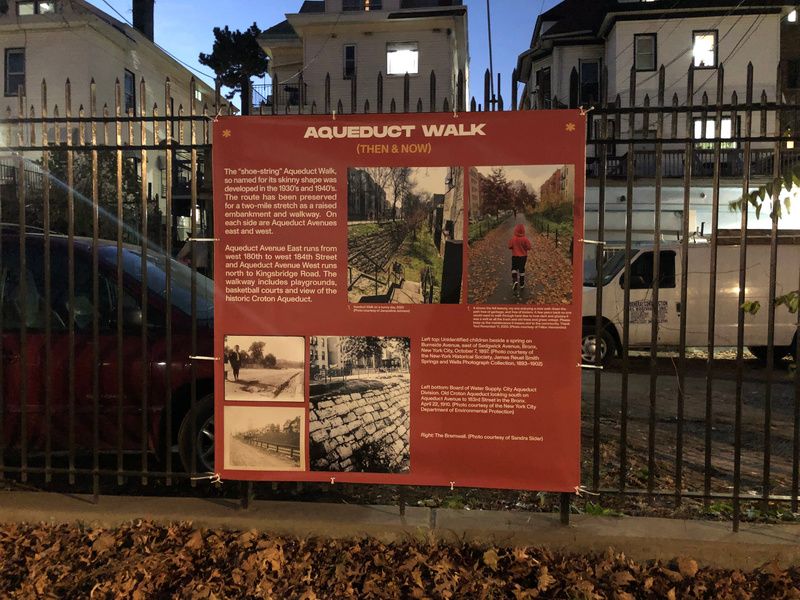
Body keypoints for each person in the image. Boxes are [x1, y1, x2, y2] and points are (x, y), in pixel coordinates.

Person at [508, 223, 532, 290]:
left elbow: (509, 246)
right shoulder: (525, 239)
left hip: (515, 256)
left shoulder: (513, 239)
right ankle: (522, 284)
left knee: (514, 269)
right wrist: (524, 247)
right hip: (523, 257)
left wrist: (514, 247)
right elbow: (529, 247)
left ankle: (515, 280)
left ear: (515, 230)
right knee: (522, 270)